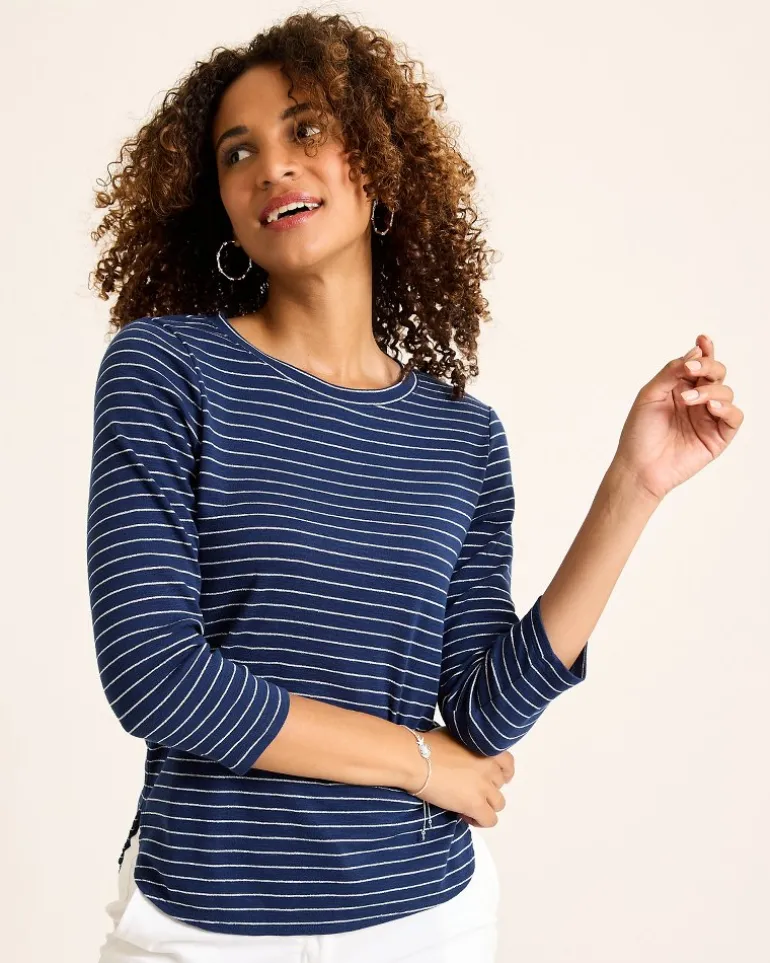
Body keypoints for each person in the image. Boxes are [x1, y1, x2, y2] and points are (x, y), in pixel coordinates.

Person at [86, 10, 743, 963]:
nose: (273, 166)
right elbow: (155, 675)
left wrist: (634, 485)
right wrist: (417, 760)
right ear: (217, 202)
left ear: (376, 161)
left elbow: (480, 712)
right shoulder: (166, 370)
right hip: (204, 921)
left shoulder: (462, 436)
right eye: (239, 152)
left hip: (428, 919)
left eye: (307, 129)